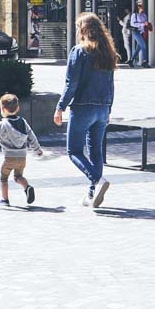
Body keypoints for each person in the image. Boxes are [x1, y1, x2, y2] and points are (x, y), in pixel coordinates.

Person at [53, 11, 119, 208]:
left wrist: (60, 107)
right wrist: (109, 109)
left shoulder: (79, 51)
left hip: (82, 108)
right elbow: (111, 84)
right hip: (102, 108)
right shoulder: (108, 52)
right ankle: (92, 194)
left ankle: (97, 180)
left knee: (73, 150)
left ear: (83, 30)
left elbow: (71, 83)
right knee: (96, 151)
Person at [0, 92, 46, 206]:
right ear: (18, 108)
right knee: (18, 177)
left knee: (4, 178)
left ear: (3, 109)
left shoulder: (3, 124)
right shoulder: (23, 122)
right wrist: (37, 150)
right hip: (22, 157)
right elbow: (31, 136)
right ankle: (27, 187)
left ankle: (5, 200)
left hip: (9, 158)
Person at [129, 4, 150, 68]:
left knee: (139, 48)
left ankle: (131, 60)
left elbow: (146, 21)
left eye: (141, 7)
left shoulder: (144, 15)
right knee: (143, 46)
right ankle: (144, 61)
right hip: (136, 32)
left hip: (142, 32)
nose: (141, 8)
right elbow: (132, 24)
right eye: (140, 7)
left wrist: (146, 23)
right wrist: (142, 24)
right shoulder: (134, 15)